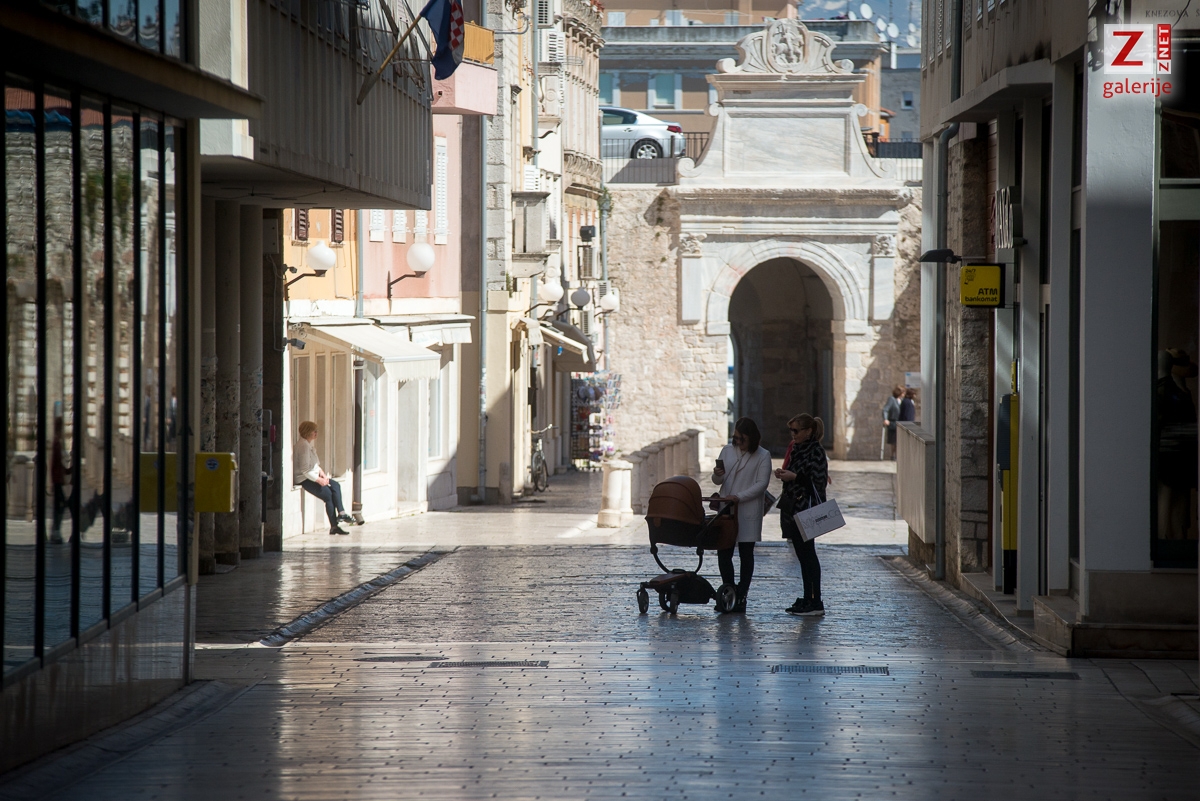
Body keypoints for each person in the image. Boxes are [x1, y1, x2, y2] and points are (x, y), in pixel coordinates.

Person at [711, 417, 772, 613]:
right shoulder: (727, 451)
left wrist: (739, 497)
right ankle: (729, 591)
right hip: (727, 509)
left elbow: (761, 484)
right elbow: (717, 480)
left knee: (746, 554)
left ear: (751, 438)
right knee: (724, 552)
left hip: (747, 509)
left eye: (742, 438)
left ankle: (742, 594)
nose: (738, 441)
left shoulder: (763, 455)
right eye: (736, 437)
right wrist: (717, 473)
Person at [776, 413, 829, 616]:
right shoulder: (797, 449)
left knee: (809, 555)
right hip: (793, 509)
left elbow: (818, 483)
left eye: (796, 430)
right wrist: (784, 475)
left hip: (807, 510)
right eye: (791, 430)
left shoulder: (816, 451)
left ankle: (816, 601)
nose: (793, 434)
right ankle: (808, 597)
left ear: (808, 431)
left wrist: (795, 477)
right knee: (801, 554)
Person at [294, 421, 354, 535]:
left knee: (335, 485)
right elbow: (305, 469)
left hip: (314, 475)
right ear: (307, 431)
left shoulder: (307, 445)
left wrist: (322, 474)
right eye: (314, 431)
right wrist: (319, 480)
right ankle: (334, 526)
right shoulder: (303, 446)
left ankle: (341, 513)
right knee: (328, 496)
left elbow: (314, 464)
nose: (316, 433)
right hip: (305, 478)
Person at [882, 386, 903, 460]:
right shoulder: (892, 399)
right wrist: (885, 419)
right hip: (893, 421)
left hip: (900, 421)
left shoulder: (901, 400)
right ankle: (893, 455)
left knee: (899, 440)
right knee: (894, 440)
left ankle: (898, 455)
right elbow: (885, 409)